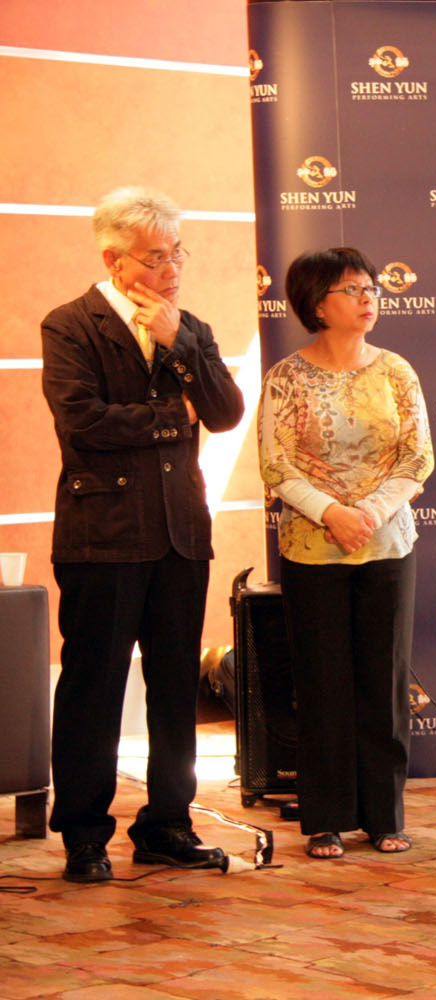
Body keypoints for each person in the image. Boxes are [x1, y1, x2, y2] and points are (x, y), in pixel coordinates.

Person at [41, 186, 244, 882]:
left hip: (180, 532)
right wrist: (170, 418)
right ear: (114, 260)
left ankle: (167, 824)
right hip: (103, 533)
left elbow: (224, 411)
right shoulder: (71, 325)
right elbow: (84, 423)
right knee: (94, 686)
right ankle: (84, 834)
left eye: (177, 252)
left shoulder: (191, 328)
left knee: (175, 685)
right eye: (156, 257)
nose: (172, 267)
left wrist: (179, 345)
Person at [258, 247, 434, 860]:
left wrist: (371, 513)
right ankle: (326, 818)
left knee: (384, 682)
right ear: (316, 304)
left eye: (371, 288)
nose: (368, 299)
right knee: (323, 682)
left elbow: (418, 458)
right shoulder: (286, 378)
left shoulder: (396, 371)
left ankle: (385, 816)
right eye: (352, 290)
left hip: (387, 544)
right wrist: (332, 513)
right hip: (313, 547)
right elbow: (276, 465)